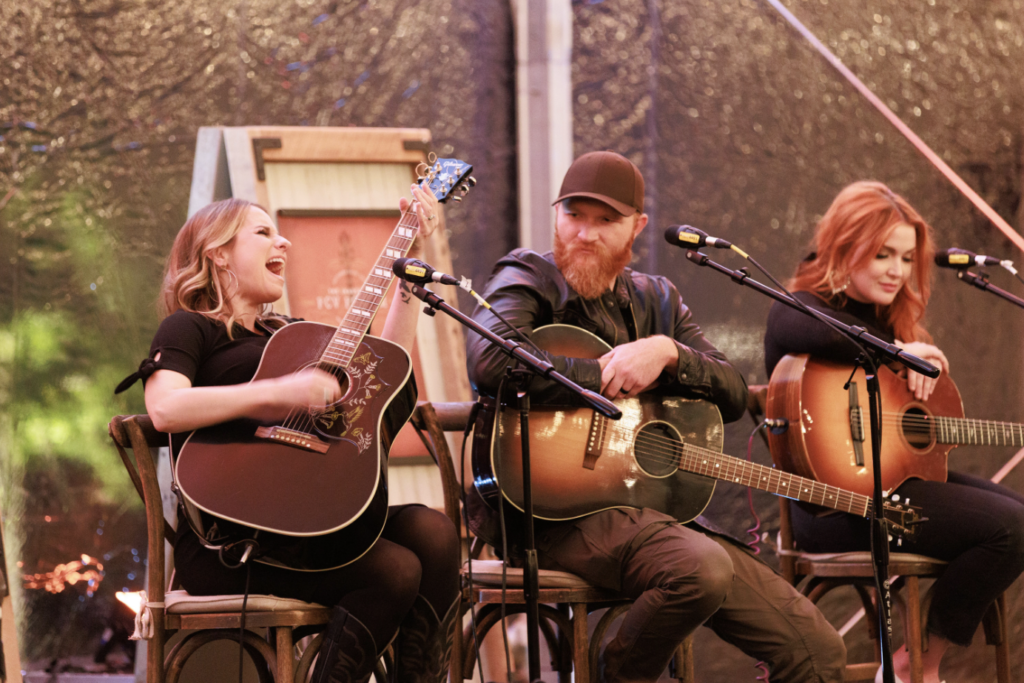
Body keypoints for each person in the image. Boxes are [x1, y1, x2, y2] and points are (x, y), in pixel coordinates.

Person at [466, 151, 847, 683]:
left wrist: (667, 351)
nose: (585, 233)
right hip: (544, 514)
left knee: (817, 650)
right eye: (574, 215)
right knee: (700, 567)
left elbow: (734, 394)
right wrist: (599, 373)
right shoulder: (528, 273)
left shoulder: (657, 299)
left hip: (652, 516)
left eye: (606, 221)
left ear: (637, 228)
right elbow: (490, 358)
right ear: (556, 215)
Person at [123, 188, 460, 683]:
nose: (283, 243)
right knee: (393, 570)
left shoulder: (292, 332)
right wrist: (279, 392)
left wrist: (407, 274)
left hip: (307, 524)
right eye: (263, 233)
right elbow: (166, 407)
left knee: (434, 532)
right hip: (228, 542)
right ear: (218, 254)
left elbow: (383, 371)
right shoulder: (190, 328)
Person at [764, 180, 1024, 683]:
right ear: (843, 245)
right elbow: (794, 324)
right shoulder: (798, 307)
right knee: (1008, 529)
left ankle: (911, 659)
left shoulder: (892, 320)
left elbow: (911, 436)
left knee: (1017, 522)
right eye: (883, 254)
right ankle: (915, 668)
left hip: (894, 487)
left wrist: (903, 356)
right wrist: (896, 354)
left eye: (906, 259)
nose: (897, 271)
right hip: (833, 505)